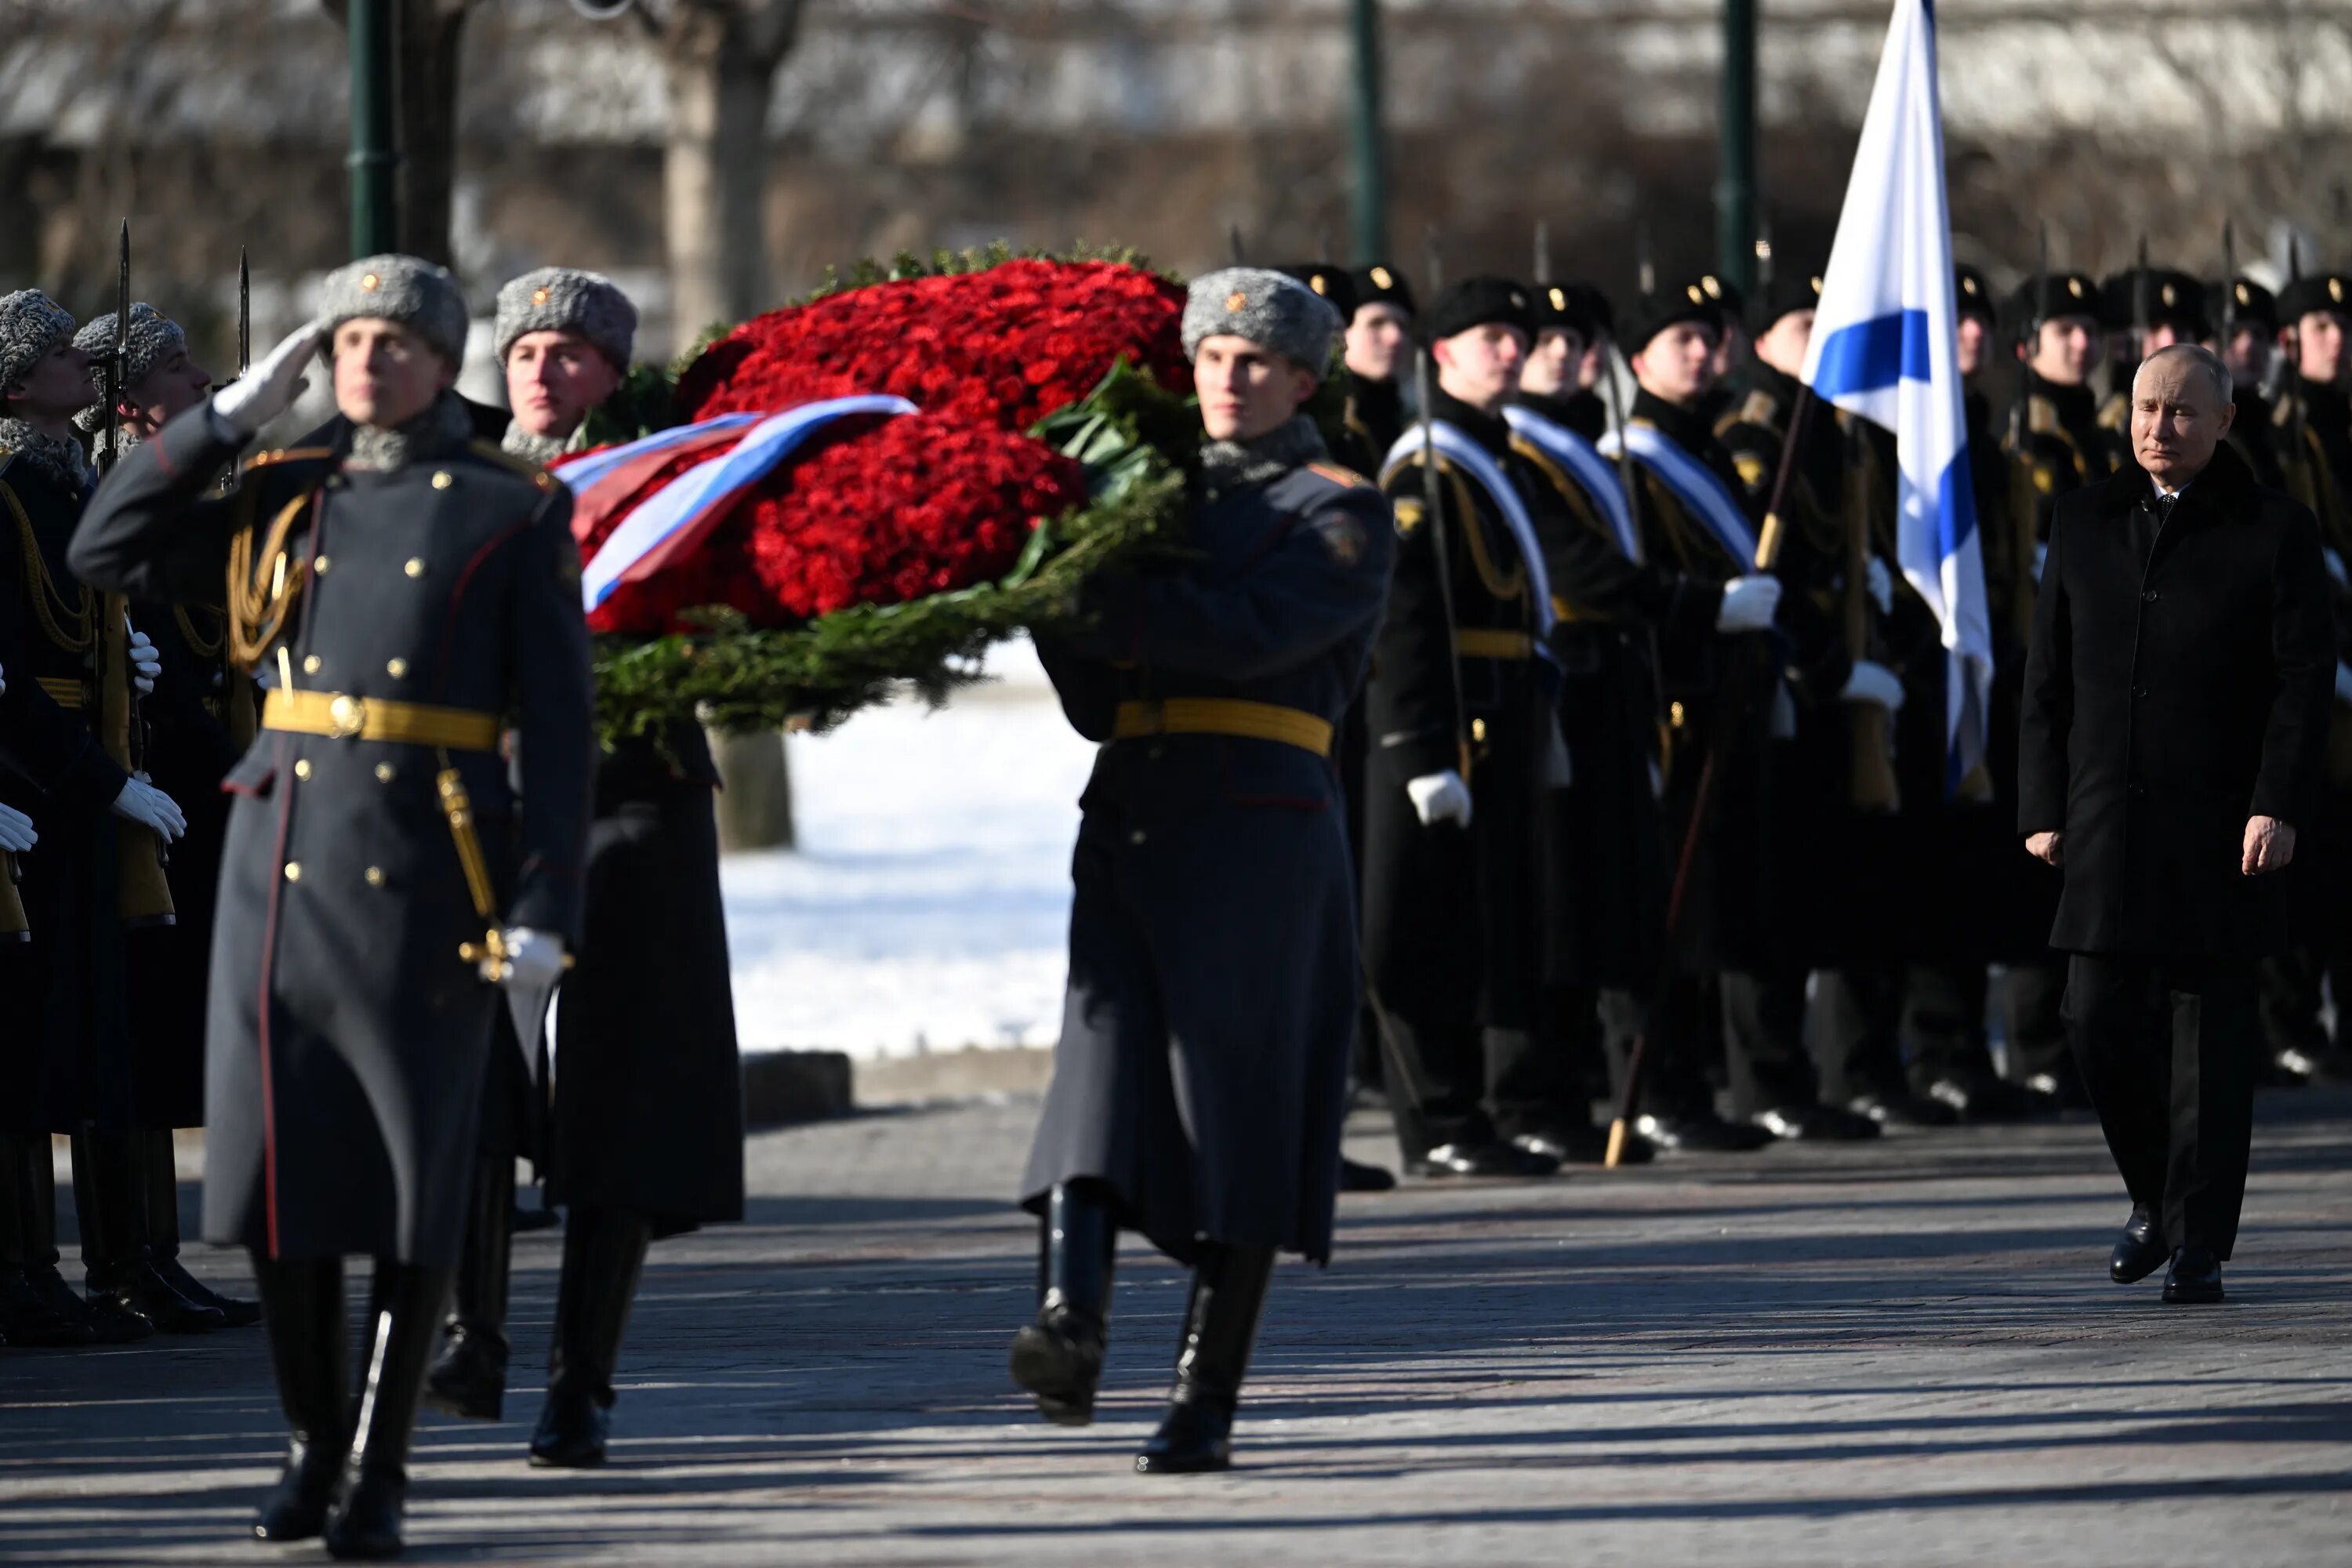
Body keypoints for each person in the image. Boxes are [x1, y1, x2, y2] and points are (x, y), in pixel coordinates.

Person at [71, 253, 594, 1555]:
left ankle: (380, 1463)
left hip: (427, 862)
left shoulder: (506, 510)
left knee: (416, 1181)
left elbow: (565, 732)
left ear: (437, 361)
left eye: (394, 343)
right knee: (270, 1184)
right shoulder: (283, 490)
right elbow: (106, 546)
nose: (365, 362)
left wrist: (545, 904)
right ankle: (309, 1444)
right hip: (282, 856)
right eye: (347, 340)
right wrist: (227, 416)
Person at [1012, 267, 1392, 1473]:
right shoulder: (1140, 505)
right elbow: (1092, 698)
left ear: (1303, 379)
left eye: (1254, 362)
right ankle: (1068, 1322)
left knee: (1237, 1103)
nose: (1227, 379)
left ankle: (1203, 1395)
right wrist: (1045, 584)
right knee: (1097, 1068)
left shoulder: (1340, 508)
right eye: (1211, 359)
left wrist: (1098, 585)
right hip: (1132, 811)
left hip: (1260, 829)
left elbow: (1246, 638)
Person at [426, 266, 746, 1469]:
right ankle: (473, 1332)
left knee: (622, 1097)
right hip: (484, 804)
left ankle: (581, 1383)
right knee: (470, 1073)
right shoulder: (456, 486)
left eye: (570, 352)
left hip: (637, 795)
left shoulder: (675, 482)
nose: (544, 371)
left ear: (615, 370)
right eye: (524, 353)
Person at [2019, 343, 2332, 1305]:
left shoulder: (2275, 529)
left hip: (2222, 822)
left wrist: (2277, 799)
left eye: (2184, 412)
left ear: (2225, 420)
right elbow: (2046, 679)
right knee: (2091, 1014)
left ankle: (2198, 1239)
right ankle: (2158, 1191)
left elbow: (2302, 682)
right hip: (2107, 814)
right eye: (2148, 408)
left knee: (2211, 1039)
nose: (2160, 427)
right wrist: (2041, 805)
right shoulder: (2082, 518)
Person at [0, 289, 191, 1348]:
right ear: (19, 384)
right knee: (31, 1051)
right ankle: (30, 1272)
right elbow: (12, 675)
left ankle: (129, 1260)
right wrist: (94, 780)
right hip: (41, 786)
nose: (86, 367)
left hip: (83, 778)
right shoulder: (10, 494)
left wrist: (129, 662)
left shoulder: (66, 486)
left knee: (103, 1036)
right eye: (61, 358)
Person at [67, 302, 261, 1332]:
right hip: (142, 786)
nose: (202, 383)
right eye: (178, 371)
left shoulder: (195, 491)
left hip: (199, 783)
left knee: (153, 1033)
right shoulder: (108, 494)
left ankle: (153, 1250)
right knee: (126, 1032)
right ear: (131, 401)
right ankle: (121, 1257)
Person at [1360, 277, 1566, 1178]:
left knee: (1490, 916)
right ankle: (1438, 1118)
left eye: (1517, 338)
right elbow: (1402, 618)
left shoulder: (1493, 455)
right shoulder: (1424, 469)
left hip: (1502, 706)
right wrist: (1416, 746)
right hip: (1448, 718)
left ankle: (1484, 1107)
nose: (1510, 351)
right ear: (1440, 354)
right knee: (1425, 923)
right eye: (1489, 337)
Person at [1892, 266, 2042, 1125]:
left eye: (1981, 321)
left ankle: (1964, 1050)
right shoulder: (1915, 434)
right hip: (1925, 668)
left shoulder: (1981, 432)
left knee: (1978, 866)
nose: (1974, 334)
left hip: (1987, 667)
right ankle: (1934, 1045)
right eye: (1958, 320)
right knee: (1929, 866)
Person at [1999, 268, 2116, 1111]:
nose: (2080, 342)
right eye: (2061, 329)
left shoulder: (2112, 433)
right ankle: (2039, 1036)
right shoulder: (2016, 433)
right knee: (2045, 851)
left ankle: (2091, 1038)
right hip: (2039, 657)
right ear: (2025, 346)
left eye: (2089, 329)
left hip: (2110, 664)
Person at [1344, 263, 1415, 459]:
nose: (1395, 337)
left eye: (1403, 326)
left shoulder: (1415, 421)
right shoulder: (1329, 427)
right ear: (1342, 332)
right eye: (1376, 323)